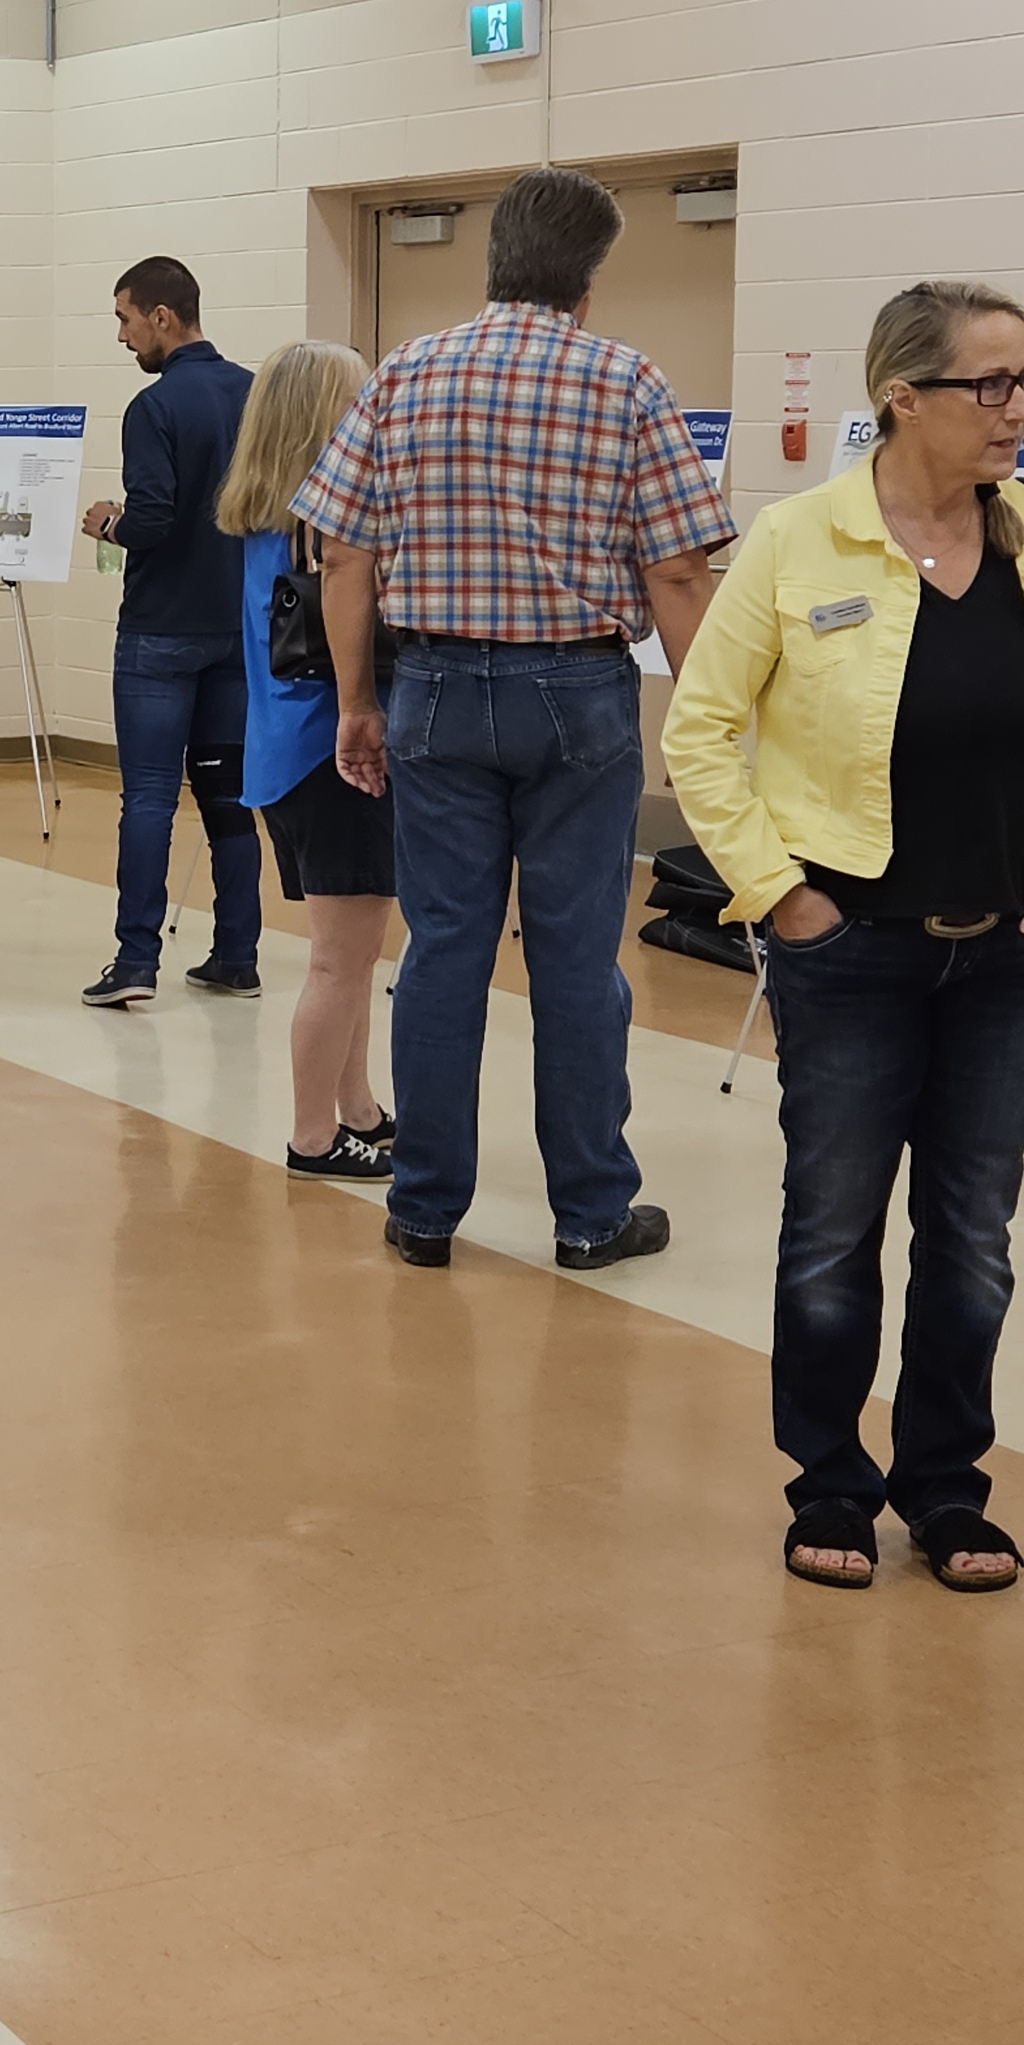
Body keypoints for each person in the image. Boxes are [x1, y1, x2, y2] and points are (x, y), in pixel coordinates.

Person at [664, 281, 1024, 1591]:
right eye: (990, 385)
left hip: (1012, 955)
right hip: (851, 950)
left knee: (970, 1241)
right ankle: (830, 1485)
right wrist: (782, 895)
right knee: (831, 1234)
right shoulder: (799, 540)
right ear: (904, 397)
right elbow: (700, 731)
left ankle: (946, 1489)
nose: (1018, 410)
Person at [298, 167, 726, 1273]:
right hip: (576, 695)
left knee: (442, 951)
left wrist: (357, 701)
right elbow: (677, 574)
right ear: (586, 280)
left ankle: (424, 1209)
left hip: (432, 689)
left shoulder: (405, 372)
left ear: (495, 265)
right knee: (577, 960)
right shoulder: (624, 380)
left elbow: (343, 554)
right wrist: (713, 722)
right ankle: (589, 1212)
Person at [220, 339, 392, 1180]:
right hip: (336, 758)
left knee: (354, 954)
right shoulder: (331, 532)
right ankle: (312, 1135)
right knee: (338, 958)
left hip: (281, 755)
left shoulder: (263, 522)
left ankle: (355, 1106)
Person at [78, 259, 258, 1008]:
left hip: (159, 634)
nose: (122, 336)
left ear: (161, 316)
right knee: (228, 799)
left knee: (149, 796)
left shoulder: (152, 407)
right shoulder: (256, 392)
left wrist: (108, 523)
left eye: (124, 318)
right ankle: (237, 955)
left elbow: (152, 519)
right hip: (235, 629)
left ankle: (136, 961)